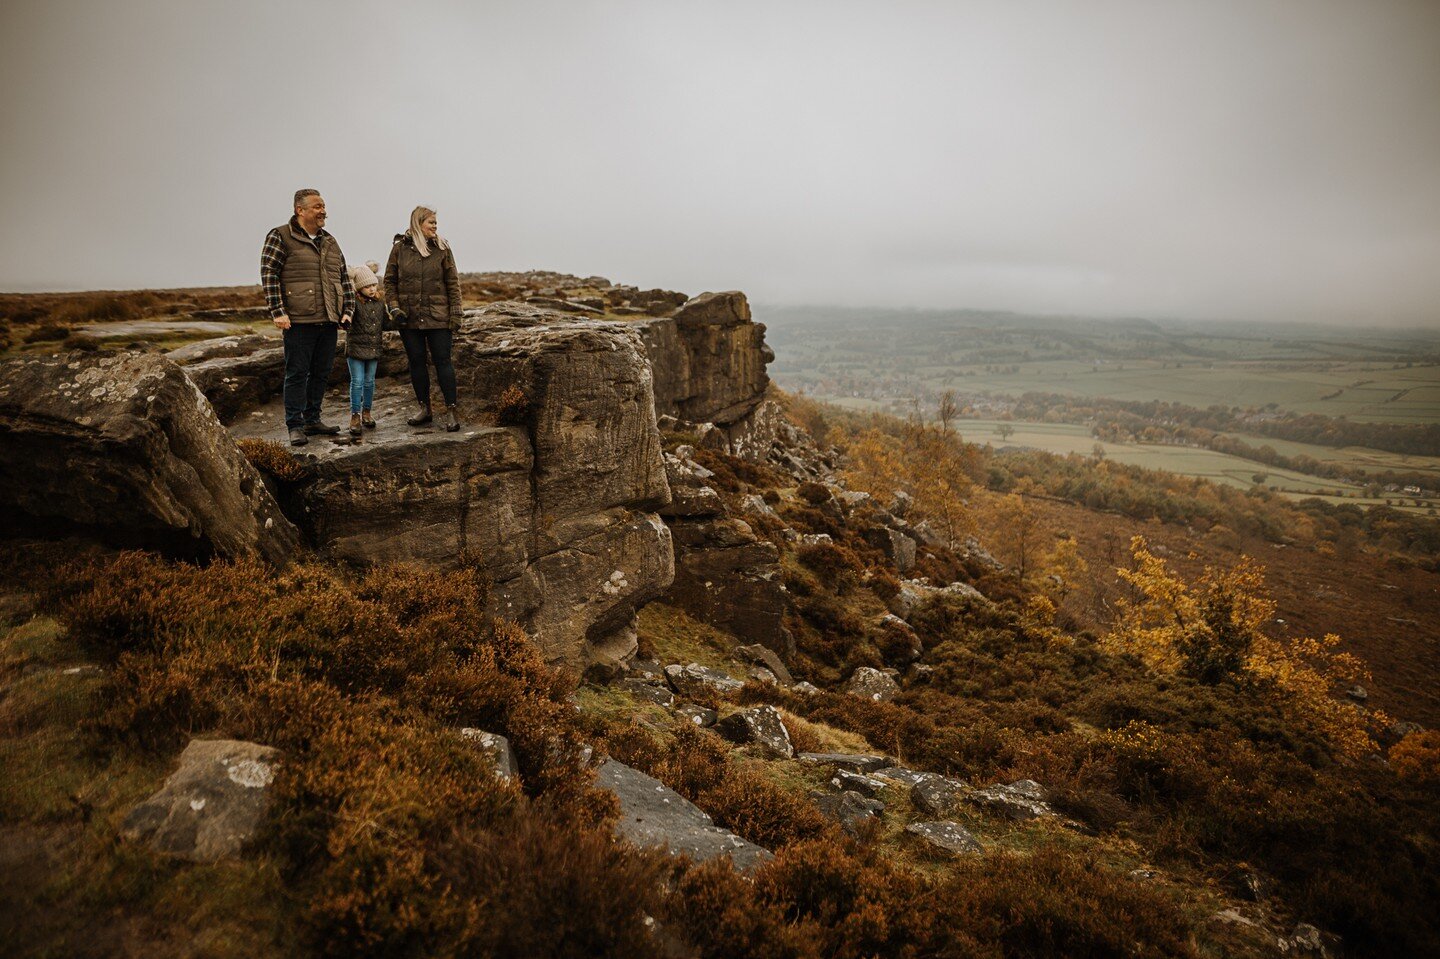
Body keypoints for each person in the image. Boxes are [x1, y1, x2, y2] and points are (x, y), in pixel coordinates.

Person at [260, 189, 355, 446]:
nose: (323, 210)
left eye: (323, 206)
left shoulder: (330, 241)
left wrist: (347, 310)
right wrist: (278, 311)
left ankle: (313, 420)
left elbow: (343, 278)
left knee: (322, 372)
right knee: (297, 373)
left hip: (328, 319)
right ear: (299, 210)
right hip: (299, 321)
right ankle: (295, 425)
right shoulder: (280, 236)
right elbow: (269, 275)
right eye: (317, 206)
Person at [385, 206, 462, 432]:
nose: (435, 226)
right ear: (418, 224)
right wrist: (394, 308)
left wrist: (456, 313)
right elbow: (389, 282)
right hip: (408, 318)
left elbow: (452, 282)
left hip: (438, 316)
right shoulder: (399, 249)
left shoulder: (442, 248)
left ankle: (451, 411)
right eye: (431, 222)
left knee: (443, 362)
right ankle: (424, 409)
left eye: (436, 223)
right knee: (416, 362)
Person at [344, 263, 385, 437]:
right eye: (367, 286)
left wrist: (399, 320)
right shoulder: (352, 302)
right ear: (359, 288)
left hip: (373, 349)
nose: (371, 289)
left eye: (374, 285)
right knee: (357, 382)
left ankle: (367, 413)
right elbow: (345, 318)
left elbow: (385, 324)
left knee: (369, 382)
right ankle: (355, 416)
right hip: (355, 349)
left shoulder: (380, 302)